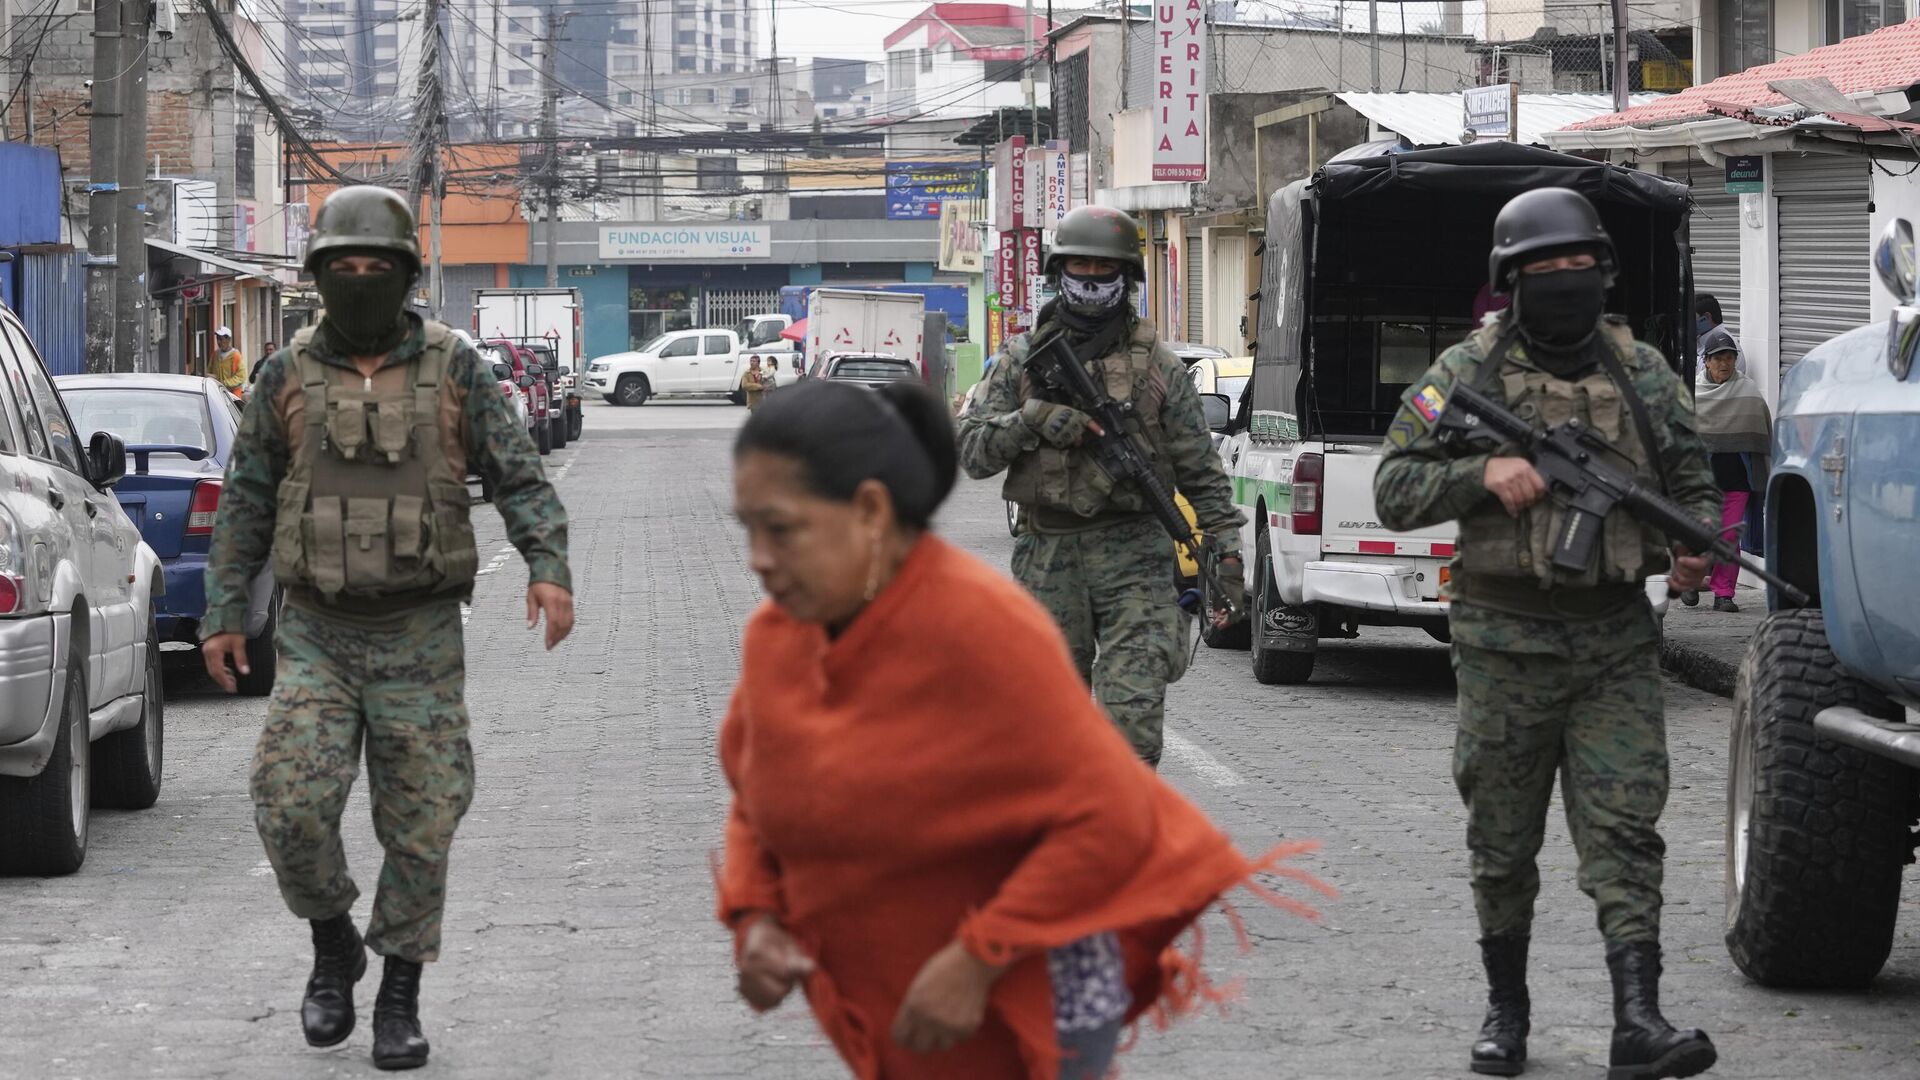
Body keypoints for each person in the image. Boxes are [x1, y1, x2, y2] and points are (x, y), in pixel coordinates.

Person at [719, 378, 1328, 1080]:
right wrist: (757, 916)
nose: (759, 557)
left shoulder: (984, 632)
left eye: (782, 528)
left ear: (869, 511)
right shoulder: (778, 637)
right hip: (898, 987)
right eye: (749, 530)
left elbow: (1109, 817)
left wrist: (978, 959)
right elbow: (757, 796)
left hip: (1033, 986)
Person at [202, 185, 575, 1071]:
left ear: (406, 274)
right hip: (318, 632)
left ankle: (399, 991)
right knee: (289, 806)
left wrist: (548, 567)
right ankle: (334, 944)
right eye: (344, 266)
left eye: (378, 265)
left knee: (424, 819)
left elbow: (519, 475)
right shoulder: (285, 376)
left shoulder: (457, 370)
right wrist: (222, 612)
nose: (361, 278)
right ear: (320, 275)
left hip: (420, 631)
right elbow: (247, 498)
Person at [1374, 188, 1721, 1080]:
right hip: (1502, 642)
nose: (1564, 284)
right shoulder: (1464, 373)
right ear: (1511, 280)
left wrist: (1692, 555)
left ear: (1602, 273)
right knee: (1502, 838)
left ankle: (1637, 1021)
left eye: (1578, 268)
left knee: (1627, 831)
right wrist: (1484, 473)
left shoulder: (1644, 373)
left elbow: (1692, 486)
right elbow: (1393, 489)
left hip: (1614, 645)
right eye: (1544, 271)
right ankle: (1507, 1010)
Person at [956, 205, 1246, 767]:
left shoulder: (1159, 366)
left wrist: (1226, 548)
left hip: (1136, 555)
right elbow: (971, 454)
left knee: (1131, 729)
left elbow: (1200, 470)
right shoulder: (1020, 361)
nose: (1090, 279)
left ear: (1128, 278)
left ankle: (1123, 842)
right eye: (1079, 266)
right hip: (1048, 556)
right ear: (1058, 271)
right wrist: (1030, 420)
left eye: (1104, 269)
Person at [1689, 325, 1770, 613]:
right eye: (1718, 358)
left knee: (1728, 537)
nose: (1724, 363)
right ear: (1707, 361)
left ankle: (1724, 593)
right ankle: (1691, 581)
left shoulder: (1748, 391)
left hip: (1737, 480)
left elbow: (1761, 435)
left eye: (1729, 357)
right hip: (1701, 481)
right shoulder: (1693, 393)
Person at [1694, 294, 1745, 376]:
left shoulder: (1722, 342)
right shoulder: (1702, 339)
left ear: (1707, 317)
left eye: (1692, 318)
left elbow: (1705, 375)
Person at [213, 326, 247, 397]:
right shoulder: (215, 354)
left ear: (228, 339)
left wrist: (223, 383)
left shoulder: (236, 355)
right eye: (217, 339)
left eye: (221, 339)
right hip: (219, 394)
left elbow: (241, 377)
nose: (218, 342)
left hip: (233, 396)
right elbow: (210, 370)